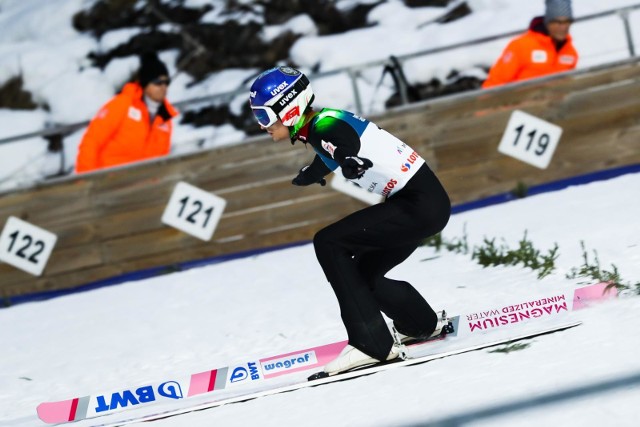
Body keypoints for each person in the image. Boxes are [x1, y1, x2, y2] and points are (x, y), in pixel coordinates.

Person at [249, 66, 452, 376]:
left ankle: (371, 344)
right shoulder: (323, 121)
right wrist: (312, 174)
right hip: (424, 204)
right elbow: (331, 151)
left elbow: (340, 145)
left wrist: (348, 161)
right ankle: (421, 324)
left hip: (417, 205)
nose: (262, 126)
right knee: (362, 274)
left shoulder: (325, 126)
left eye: (264, 116)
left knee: (328, 242)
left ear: (287, 108)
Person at [75, 52, 178, 173]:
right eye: (157, 82)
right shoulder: (122, 104)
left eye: (167, 82)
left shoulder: (165, 117)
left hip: (141, 185)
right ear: (145, 83)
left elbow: (161, 161)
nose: (163, 87)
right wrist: (86, 181)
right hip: (108, 182)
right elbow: (91, 141)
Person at [482, 0, 578, 89]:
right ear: (548, 22)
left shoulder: (570, 53)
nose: (563, 27)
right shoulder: (521, 46)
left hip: (553, 104)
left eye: (567, 22)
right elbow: (496, 82)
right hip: (520, 104)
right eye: (558, 22)